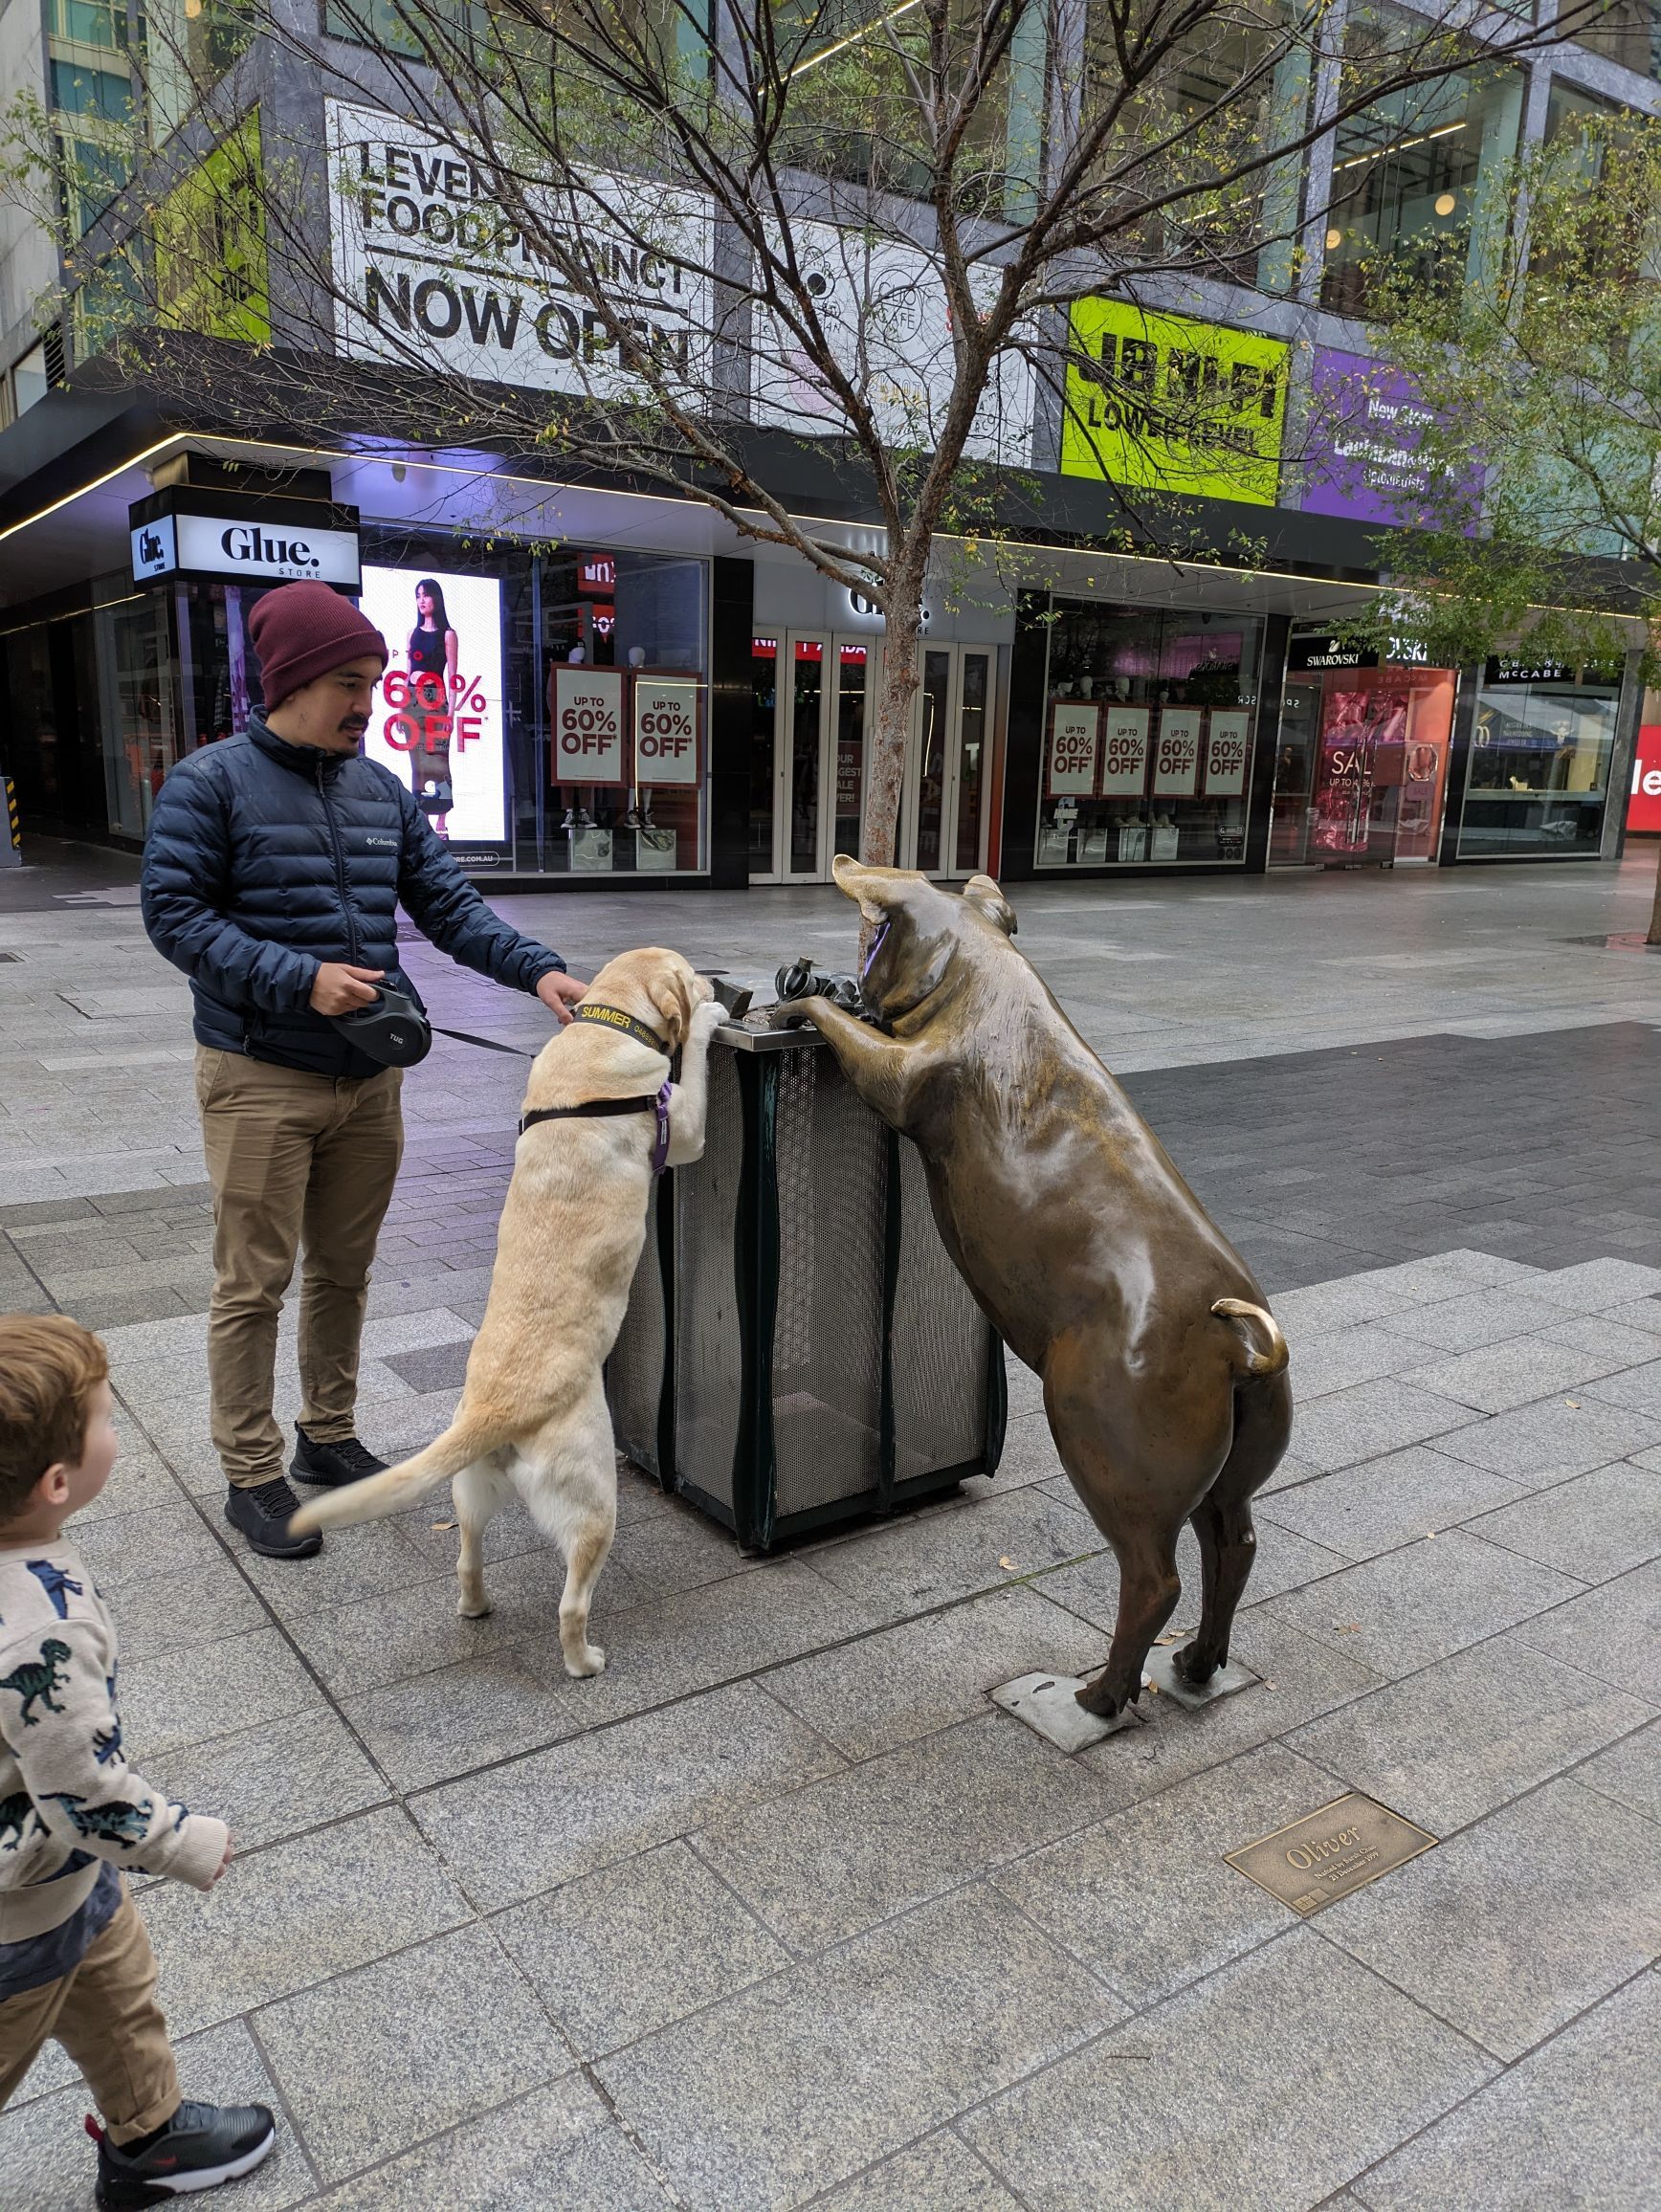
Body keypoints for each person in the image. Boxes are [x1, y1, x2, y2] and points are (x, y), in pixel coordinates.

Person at [142, 580, 588, 1561]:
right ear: (293, 680)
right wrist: (300, 979)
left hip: (368, 1079)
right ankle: (252, 1471)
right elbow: (175, 917)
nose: (368, 703)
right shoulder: (207, 784)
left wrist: (538, 969)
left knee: (343, 1268)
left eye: (374, 682)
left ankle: (326, 1433)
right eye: (349, 682)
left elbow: (447, 902)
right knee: (252, 1283)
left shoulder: (378, 788)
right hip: (260, 1073)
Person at [0, 1314, 274, 2208]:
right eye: (107, 1421)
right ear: (55, 1481)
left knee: (120, 1993)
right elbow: (82, 1792)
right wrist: (179, 1838)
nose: (119, 1429)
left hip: (67, 1878)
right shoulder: (41, 1629)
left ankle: (149, 2136)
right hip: (19, 1914)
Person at [409, 578, 458, 838]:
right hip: (413, 701)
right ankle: (423, 817)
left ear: (436, 599)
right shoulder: (412, 633)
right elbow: (408, 673)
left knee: (439, 760)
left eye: (426, 595)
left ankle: (441, 820)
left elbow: (453, 677)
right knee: (418, 762)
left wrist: (451, 713)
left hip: (436, 699)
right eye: (418, 596)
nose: (422, 600)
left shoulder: (447, 635)